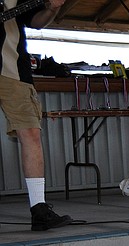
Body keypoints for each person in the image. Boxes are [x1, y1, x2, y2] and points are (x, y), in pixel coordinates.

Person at [1, 0, 73, 231]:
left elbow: (36, 21)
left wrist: (52, 8)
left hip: (12, 71)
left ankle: (39, 210)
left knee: (31, 132)